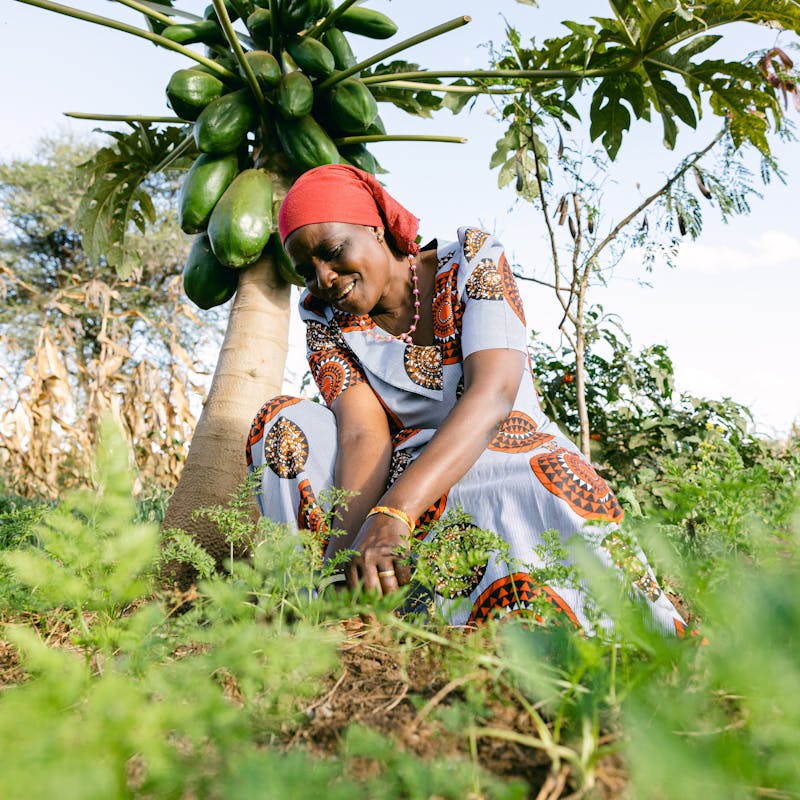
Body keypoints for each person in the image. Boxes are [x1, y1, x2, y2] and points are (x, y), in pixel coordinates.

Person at [246, 164, 686, 635]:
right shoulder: (324, 318)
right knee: (282, 421)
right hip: (397, 471)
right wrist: (345, 557)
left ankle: (559, 628)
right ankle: (338, 614)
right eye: (307, 271)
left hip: (504, 445)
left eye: (332, 253)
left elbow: (493, 394)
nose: (324, 278)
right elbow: (360, 434)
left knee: (527, 481)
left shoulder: (472, 260)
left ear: (375, 228)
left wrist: (396, 514)